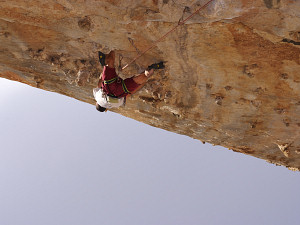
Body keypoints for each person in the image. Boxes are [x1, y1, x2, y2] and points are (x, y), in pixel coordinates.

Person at [93, 50, 164, 112]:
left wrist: (139, 84)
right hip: (108, 86)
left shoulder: (115, 105)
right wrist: (104, 70)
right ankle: (108, 58)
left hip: (119, 92)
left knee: (140, 78)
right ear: (97, 103)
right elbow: (100, 83)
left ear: (105, 109)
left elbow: (129, 94)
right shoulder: (97, 98)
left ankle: (149, 71)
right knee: (109, 62)